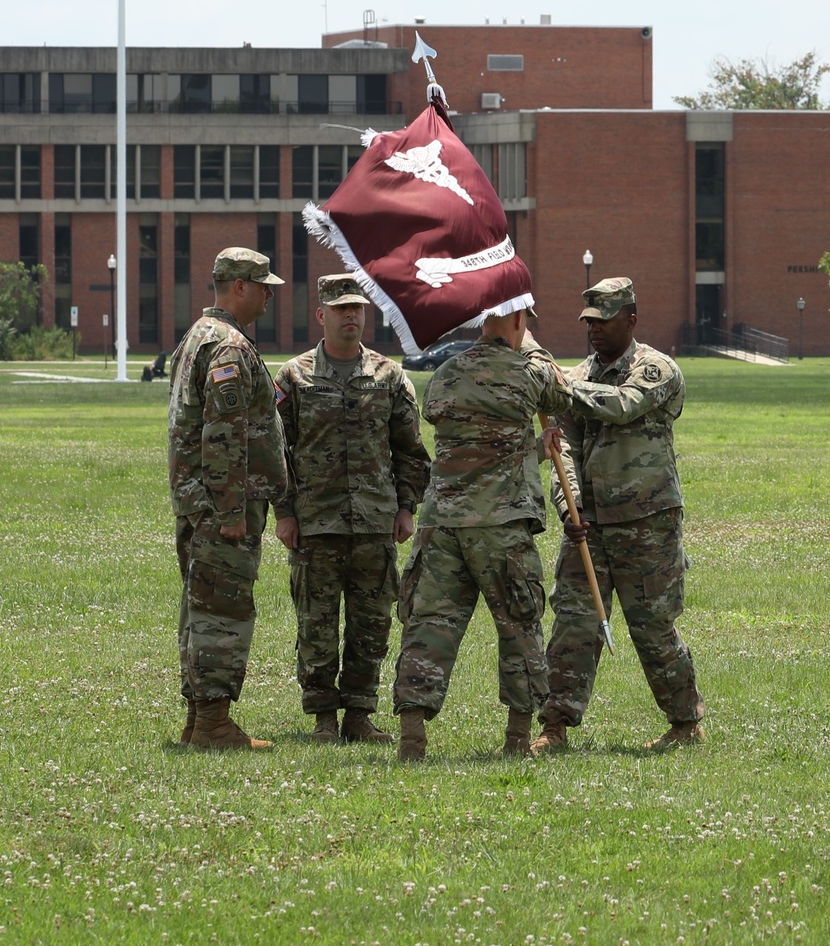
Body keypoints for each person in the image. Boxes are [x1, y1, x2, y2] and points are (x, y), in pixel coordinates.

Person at [532, 276, 705, 755]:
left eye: (604, 321)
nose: (595, 330)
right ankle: (555, 726)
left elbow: (625, 406)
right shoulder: (578, 378)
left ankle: (686, 721)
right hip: (588, 525)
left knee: (652, 625)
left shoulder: (655, 368)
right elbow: (562, 445)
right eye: (589, 322)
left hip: (647, 522)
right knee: (573, 624)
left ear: (631, 318)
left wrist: (561, 386)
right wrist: (568, 506)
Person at [393, 307, 568, 762]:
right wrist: (527, 349)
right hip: (501, 525)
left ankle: (412, 739)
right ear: (518, 322)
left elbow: (473, 443)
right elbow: (560, 393)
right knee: (518, 624)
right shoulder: (528, 371)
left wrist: (531, 450)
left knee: (428, 626)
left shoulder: (447, 373)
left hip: (442, 523)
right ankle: (516, 739)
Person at [272, 275, 430, 743]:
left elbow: (410, 450)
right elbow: (277, 451)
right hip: (314, 522)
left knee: (372, 622)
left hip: (375, 522)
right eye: (340, 309)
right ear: (321, 315)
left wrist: (406, 507)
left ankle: (359, 713)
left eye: (357, 308)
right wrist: (284, 512)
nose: (350, 316)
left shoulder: (389, 375)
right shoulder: (294, 376)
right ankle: (323, 714)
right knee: (315, 622)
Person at [168, 246, 288, 750]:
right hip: (222, 508)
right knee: (224, 610)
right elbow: (224, 433)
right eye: (263, 287)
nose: (268, 297)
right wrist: (232, 509)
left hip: (197, 502)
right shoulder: (230, 347)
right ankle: (214, 724)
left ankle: (200, 720)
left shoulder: (197, 336)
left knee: (201, 607)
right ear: (239, 286)